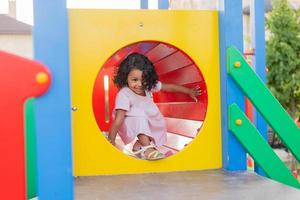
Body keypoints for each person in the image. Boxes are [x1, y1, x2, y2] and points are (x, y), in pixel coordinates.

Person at [107, 53, 201, 160]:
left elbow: (167, 87)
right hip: (127, 121)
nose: (139, 84)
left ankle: (139, 145)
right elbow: (119, 119)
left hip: (144, 118)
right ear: (125, 77)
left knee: (158, 120)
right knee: (140, 117)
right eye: (134, 80)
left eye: (143, 80)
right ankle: (148, 149)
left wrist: (188, 91)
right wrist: (111, 140)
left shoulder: (147, 86)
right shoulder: (124, 94)